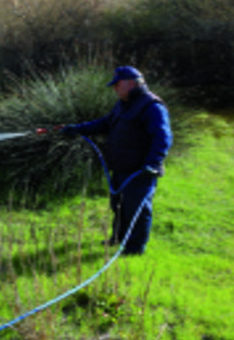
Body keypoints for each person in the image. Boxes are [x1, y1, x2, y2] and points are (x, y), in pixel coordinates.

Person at [61, 66, 172, 255]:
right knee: (119, 206)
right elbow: (104, 123)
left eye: (117, 85)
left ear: (131, 83)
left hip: (140, 171)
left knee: (137, 210)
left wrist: (152, 164)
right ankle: (118, 239)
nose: (114, 89)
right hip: (120, 167)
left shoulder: (152, 107)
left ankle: (135, 249)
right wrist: (75, 129)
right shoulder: (123, 103)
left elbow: (163, 137)